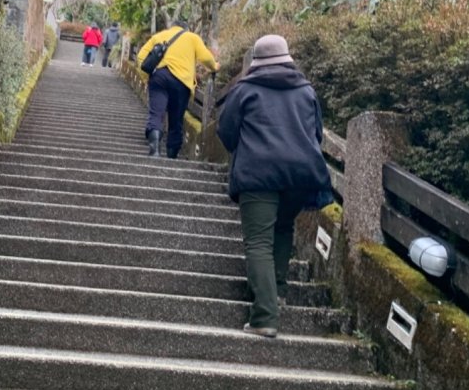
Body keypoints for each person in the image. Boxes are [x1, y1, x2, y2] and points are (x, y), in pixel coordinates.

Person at [217, 34, 333, 338]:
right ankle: (278, 291)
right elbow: (316, 133)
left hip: (259, 174)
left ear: (256, 61)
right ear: (287, 59)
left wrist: (245, 152)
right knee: (283, 230)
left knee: (258, 241)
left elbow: (226, 130)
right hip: (299, 174)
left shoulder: (245, 90)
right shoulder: (306, 91)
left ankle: (264, 315)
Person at [137, 20, 218, 159]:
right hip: (181, 82)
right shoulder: (192, 38)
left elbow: (140, 57)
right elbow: (206, 58)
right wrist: (214, 67)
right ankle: (171, 155)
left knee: (156, 113)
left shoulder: (159, 36)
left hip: (159, 78)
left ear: (172, 26)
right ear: (186, 28)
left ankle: (155, 151)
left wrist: (146, 78)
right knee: (176, 120)